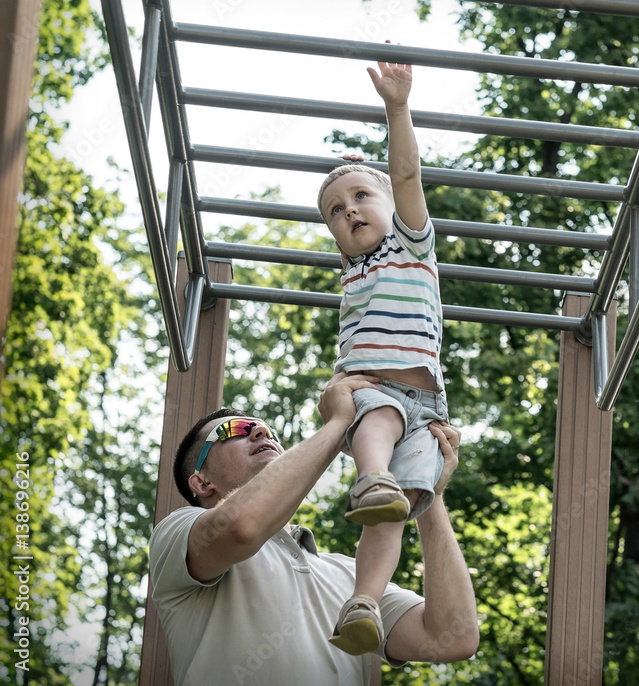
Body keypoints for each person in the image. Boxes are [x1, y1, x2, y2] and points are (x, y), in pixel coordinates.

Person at [149, 374, 478, 686]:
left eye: (269, 432)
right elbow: (242, 527)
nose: (262, 433)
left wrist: (428, 491)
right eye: (236, 428)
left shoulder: (355, 575)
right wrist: (338, 424)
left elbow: (451, 637)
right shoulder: (177, 532)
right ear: (202, 482)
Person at [315, 53, 450, 656]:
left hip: (425, 404)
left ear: (391, 207)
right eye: (336, 214)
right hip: (371, 387)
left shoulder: (412, 245)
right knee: (381, 421)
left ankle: (364, 601)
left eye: (361, 197)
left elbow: (406, 177)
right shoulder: (353, 271)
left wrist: (397, 108)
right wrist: (344, 179)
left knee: (392, 515)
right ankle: (371, 478)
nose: (350, 212)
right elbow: (360, 204)